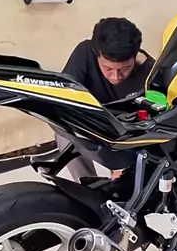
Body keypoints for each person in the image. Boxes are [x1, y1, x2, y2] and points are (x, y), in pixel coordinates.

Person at [58, 17, 154, 181]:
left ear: (135, 56)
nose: (116, 76)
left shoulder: (150, 73)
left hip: (127, 130)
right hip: (91, 120)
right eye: (107, 68)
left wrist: (121, 165)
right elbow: (65, 95)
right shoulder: (84, 53)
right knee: (64, 133)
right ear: (96, 54)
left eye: (125, 68)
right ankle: (86, 185)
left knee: (126, 179)